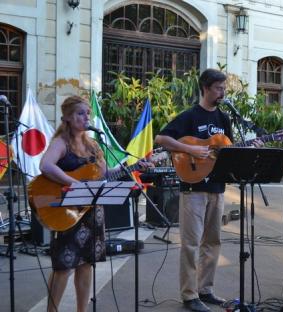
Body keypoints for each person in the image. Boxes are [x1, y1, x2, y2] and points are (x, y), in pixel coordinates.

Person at [40, 95, 152, 312]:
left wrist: (135, 166)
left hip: (92, 212)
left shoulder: (93, 145)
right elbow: (45, 165)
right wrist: (74, 183)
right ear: (68, 118)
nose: (86, 117)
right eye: (80, 113)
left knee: (86, 264)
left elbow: (105, 174)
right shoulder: (61, 143)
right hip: (69, 212)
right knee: (64, 266)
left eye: (87, 113)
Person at [155, 69, 232, 312]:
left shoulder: (224, 119)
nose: (223, 92)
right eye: (219, 88)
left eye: (224, 88)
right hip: (193, 187)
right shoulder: (189, 116)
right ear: (206, 88)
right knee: (191, 242)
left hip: (217, 188)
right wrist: (190, 150)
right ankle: (189, 295)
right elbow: (161, 139)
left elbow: (228, 151)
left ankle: (206, 289)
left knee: (213, 241)